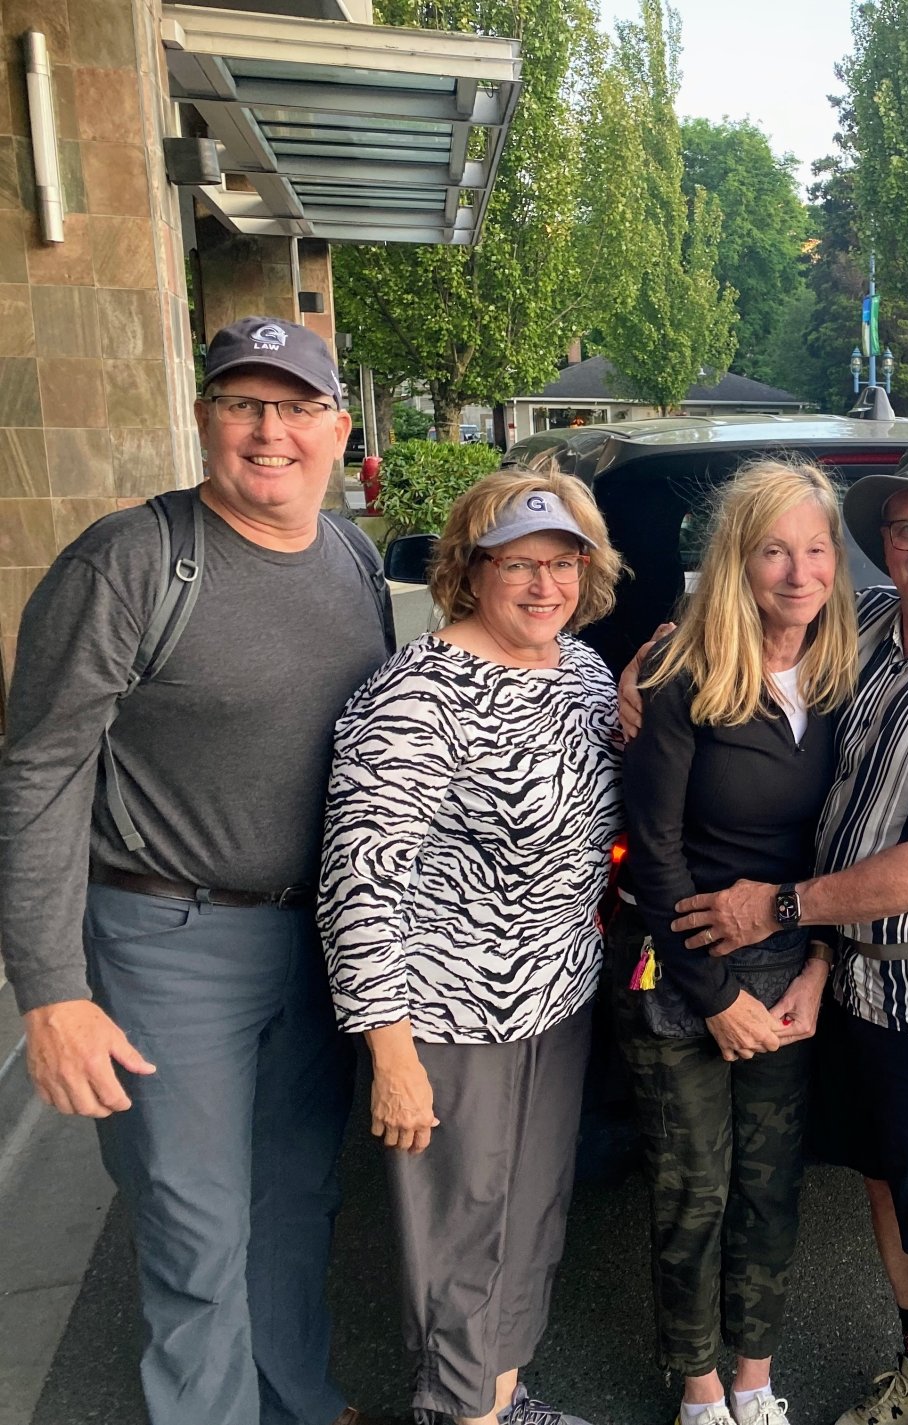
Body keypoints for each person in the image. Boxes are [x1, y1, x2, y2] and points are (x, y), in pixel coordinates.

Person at [0, 316, 390, 1425]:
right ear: (207, 417)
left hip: (315, 944)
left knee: (297, 1200)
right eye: (243, 404)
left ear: (339, 429)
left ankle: (296, 1399)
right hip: (166, 945)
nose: (271, 432)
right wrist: (50, 989)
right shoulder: (129, 561)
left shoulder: (352, 558)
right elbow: (39, 774)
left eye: (297, 407)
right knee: (193, 1228)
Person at [656, 437, 908, 1425]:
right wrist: (651, 662)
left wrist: (781, 908)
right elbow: (744, 628)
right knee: (888, 1185)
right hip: (852, 982)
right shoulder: (866, 623)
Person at [319, 473, 624, 1425]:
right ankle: (461, 1410)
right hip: (448, 1017)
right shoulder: (418, 692)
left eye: (563, 562)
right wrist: (391, 1053)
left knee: (529, 1217)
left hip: (557, 999)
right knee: (461, 1234)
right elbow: (361, 878)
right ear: (471, 567)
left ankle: (499, 1395)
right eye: (518, 563)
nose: (544, 584)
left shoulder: (583, 671)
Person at [613, 458, 858, 1425]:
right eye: (773, 551)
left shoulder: (845, 675)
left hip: (791, 972)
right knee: (695, 1194)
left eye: (816, 550)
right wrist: (716, 996)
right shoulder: (682, 674)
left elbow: (845, 843)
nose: (799, 573)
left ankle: (754, 1376)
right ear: (735, 561)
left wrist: (818, 965)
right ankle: (700, 1387)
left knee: (769, 1188)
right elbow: (654, 856)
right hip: (683, 973)